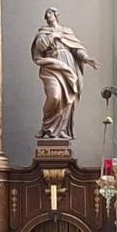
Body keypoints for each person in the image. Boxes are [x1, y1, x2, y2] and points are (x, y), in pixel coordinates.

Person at [30, 8, 97, 140]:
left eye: (50, 12)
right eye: (46, 14)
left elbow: (76, 49)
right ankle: (46, 126)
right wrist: (52, 36)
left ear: (56, 15)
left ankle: (60, 131)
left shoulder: (67, 31)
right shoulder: (43, 32)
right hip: (51, 66)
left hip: (68, 66)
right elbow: (40, 47)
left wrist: (86, 58)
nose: (47, 15)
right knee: (54, 96)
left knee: (67, 99)